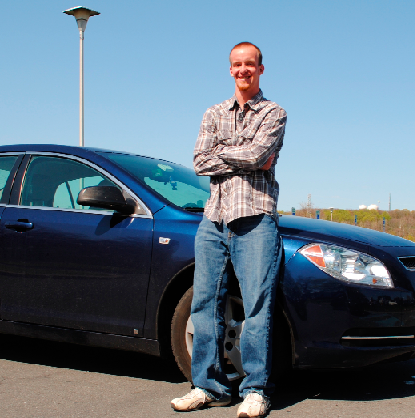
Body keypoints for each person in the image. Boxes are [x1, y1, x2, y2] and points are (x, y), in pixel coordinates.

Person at [171, 42, 286, 418]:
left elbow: (259, 155)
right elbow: (200, 160)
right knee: (204, 306)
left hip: (255, 217)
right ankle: (208, 387)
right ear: (230, 69)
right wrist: (246, 154)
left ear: (261, 69)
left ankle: (256, 390)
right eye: (237, 65)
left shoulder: (274, 112)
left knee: (257, 307)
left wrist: (228, 151)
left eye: (249, 65)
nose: (243, 71)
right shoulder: (213, 112)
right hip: (214, 220)